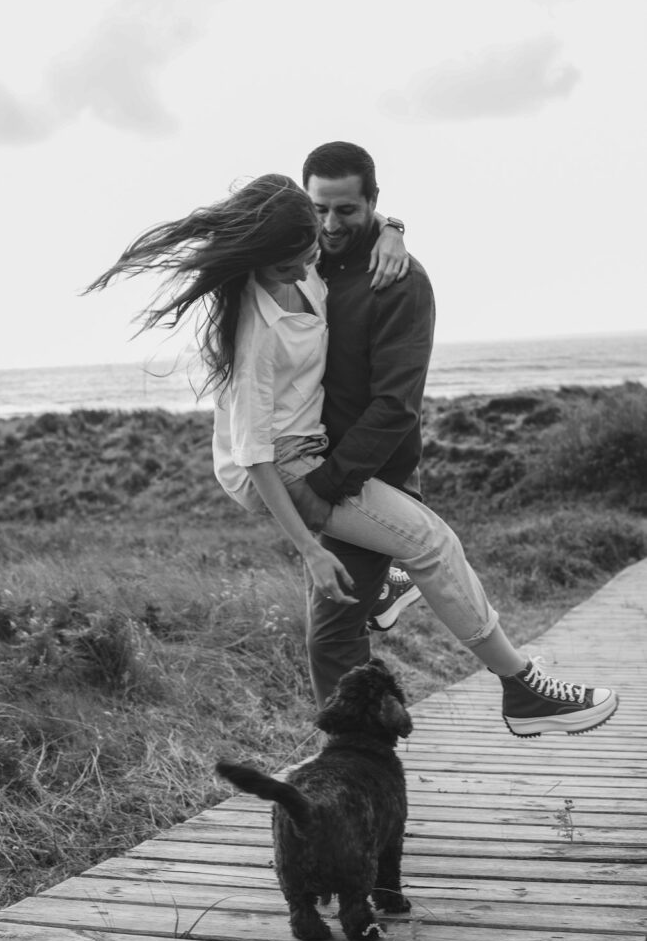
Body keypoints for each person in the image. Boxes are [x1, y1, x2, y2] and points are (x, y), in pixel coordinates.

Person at [87, 161, 618, 739]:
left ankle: (388, 584)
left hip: (314, 452)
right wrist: (308, 549)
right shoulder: (256, 331)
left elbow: (316, 211)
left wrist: (393, 227)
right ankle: (521, 689)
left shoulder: (305, 264)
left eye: (310, 249)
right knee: (434, 544)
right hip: (290, 467)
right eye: (286, 262)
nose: (307, 263)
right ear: (258, 259)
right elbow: (254, 457)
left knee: (412, 552)